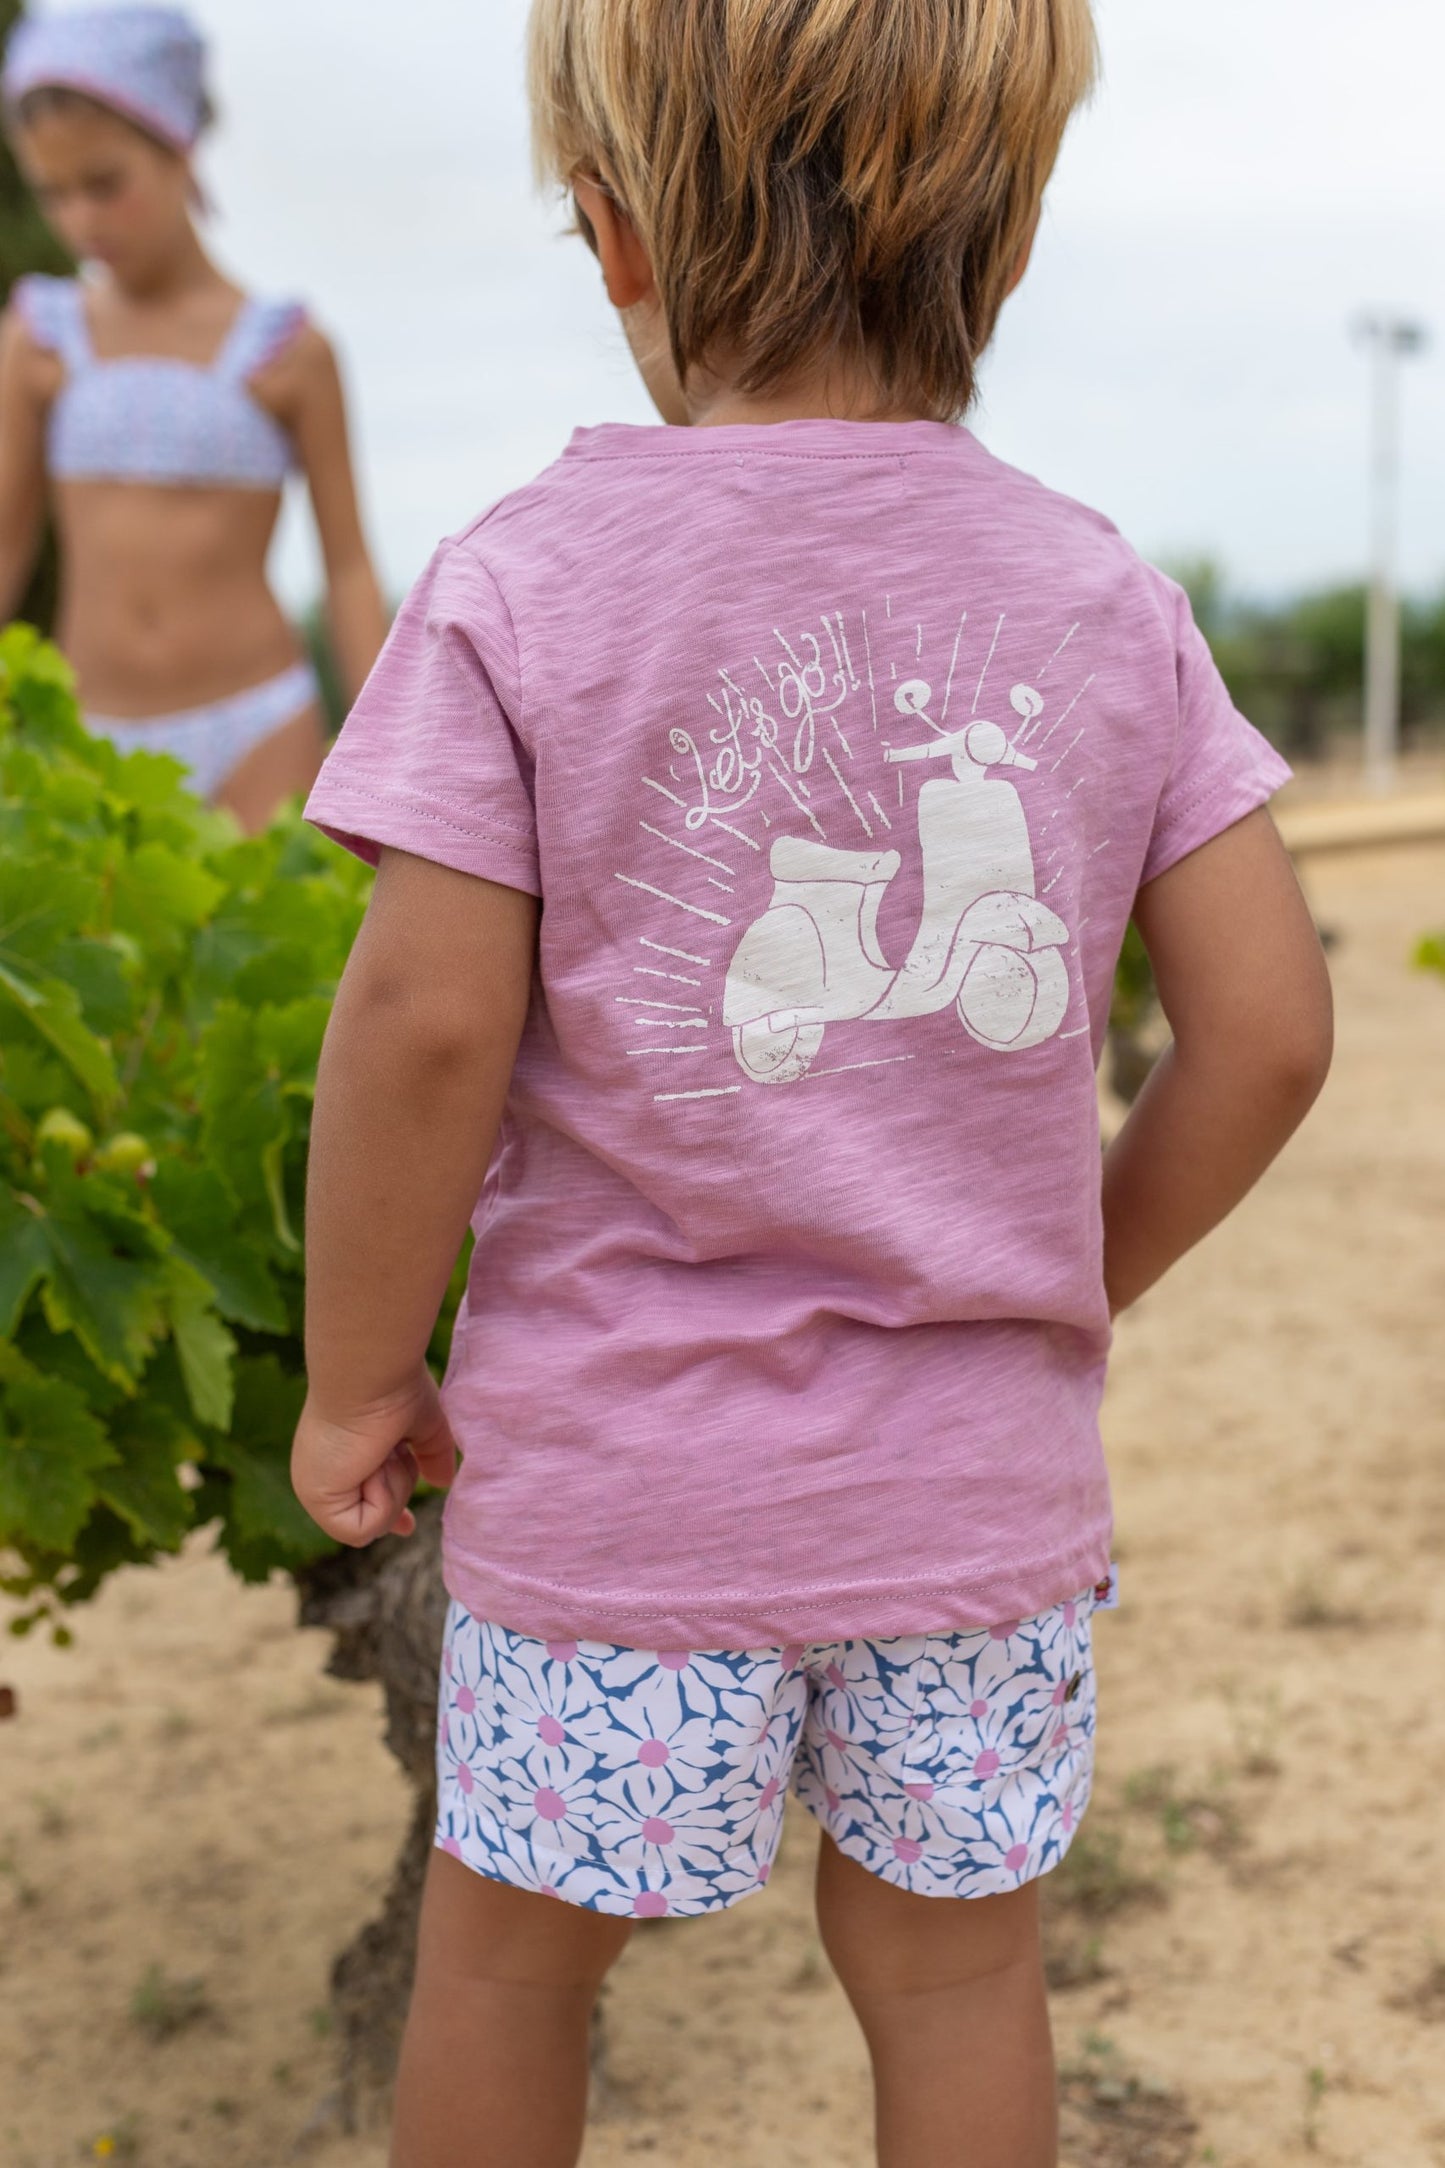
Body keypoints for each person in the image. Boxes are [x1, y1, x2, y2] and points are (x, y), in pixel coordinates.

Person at [292, 2, 1335, 2163]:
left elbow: (421, 1026)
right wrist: (1064, 1283)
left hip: (621, 1496)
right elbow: (1264, 1027)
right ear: (1013, 234)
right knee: (951, 1973)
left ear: (609, 236)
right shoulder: (1095, 596)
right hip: (973, 1501)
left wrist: (354, 1372)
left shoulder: (517, 588)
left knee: (512, 1961)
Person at [0, 6, 385, 832]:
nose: (79, 221)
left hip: (260, 726)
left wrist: (392, 758)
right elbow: (6, 539)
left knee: (269, 949)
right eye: (52, 194)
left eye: (104, 184)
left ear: (177, 144)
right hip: (91, 732)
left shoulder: (288, 351)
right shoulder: (40, 339)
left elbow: (348, 568)